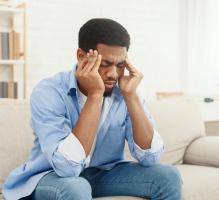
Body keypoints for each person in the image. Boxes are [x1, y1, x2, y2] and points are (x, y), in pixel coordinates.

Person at [2, 18, 182, 200]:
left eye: (120, 65)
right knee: (76, 186)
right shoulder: (49, 91)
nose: (113, 74)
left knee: (168, 176)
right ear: (81, 56)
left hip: (102, 174)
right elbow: (67, 168)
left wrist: (131, 97)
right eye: (104, 64)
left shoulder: (124, 92)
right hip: (52, 176)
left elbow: (150, 159)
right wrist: (95, 95)